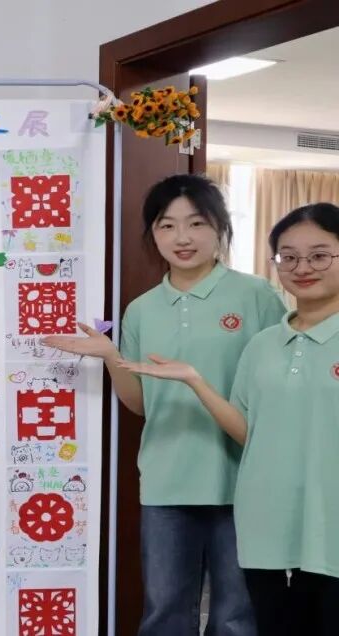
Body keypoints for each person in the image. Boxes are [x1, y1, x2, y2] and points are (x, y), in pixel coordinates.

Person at [45, 174, 285, 635]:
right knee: (164, 613)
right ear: (152, 234)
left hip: (245, 481)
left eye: (196, 223)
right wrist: (112, 356)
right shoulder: (141, 309)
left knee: (237, 617)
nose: (182, 238)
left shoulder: (255, 295)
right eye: (166, 225)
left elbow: (275, 389)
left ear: (220, 228)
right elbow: (140, 404)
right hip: (165, 482)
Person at [119, 202, 339, 636]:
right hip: (268, 522)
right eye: (289, 257)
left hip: (312, 515)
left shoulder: (254, 296)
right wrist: (193, 379)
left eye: (319, 256)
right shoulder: (264, 345)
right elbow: (248, 430)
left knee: (248, 619)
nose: (302, 267)